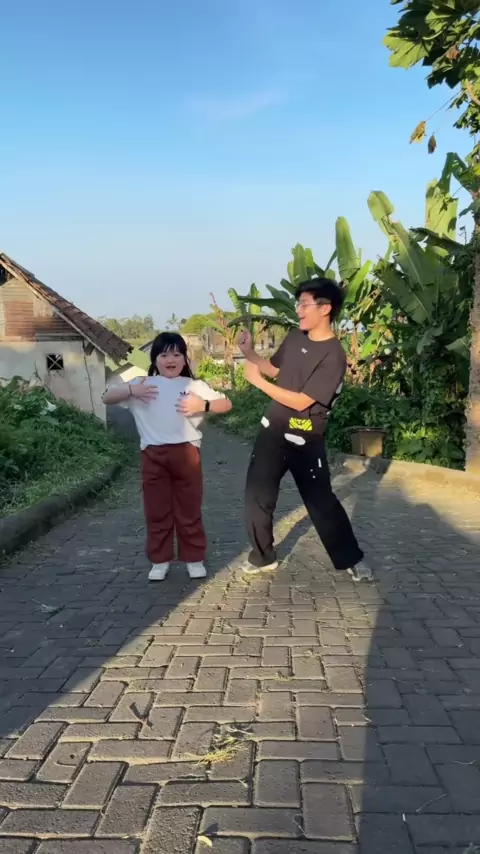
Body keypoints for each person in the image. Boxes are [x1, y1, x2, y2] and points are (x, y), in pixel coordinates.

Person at [238, 277, 372, 582]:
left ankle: (351, 558)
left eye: (304, 304)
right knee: (257, 498)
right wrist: (250, 355)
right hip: (272, 430)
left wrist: (257, 382)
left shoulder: (334, 355)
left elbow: (301, 401)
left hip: (305, 437)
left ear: (325, 308)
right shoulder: (295, 337)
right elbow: (277, 370)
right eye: (297, 303)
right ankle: (263, 556)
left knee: (321, 502)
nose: (298, 310)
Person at [102, 332, 232, 581]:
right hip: (152, 454)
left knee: (189, 509)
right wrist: (131, 389)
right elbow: (106, 397)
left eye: (176, 354)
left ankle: (193, 558)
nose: (170, 359)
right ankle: (159, 560)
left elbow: (226, 404)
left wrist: (203, 405)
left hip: (187, 453)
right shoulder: (142, 383)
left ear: (185, 359)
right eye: (163, 355)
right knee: (156, 510)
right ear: (154, 359)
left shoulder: (194, 386)